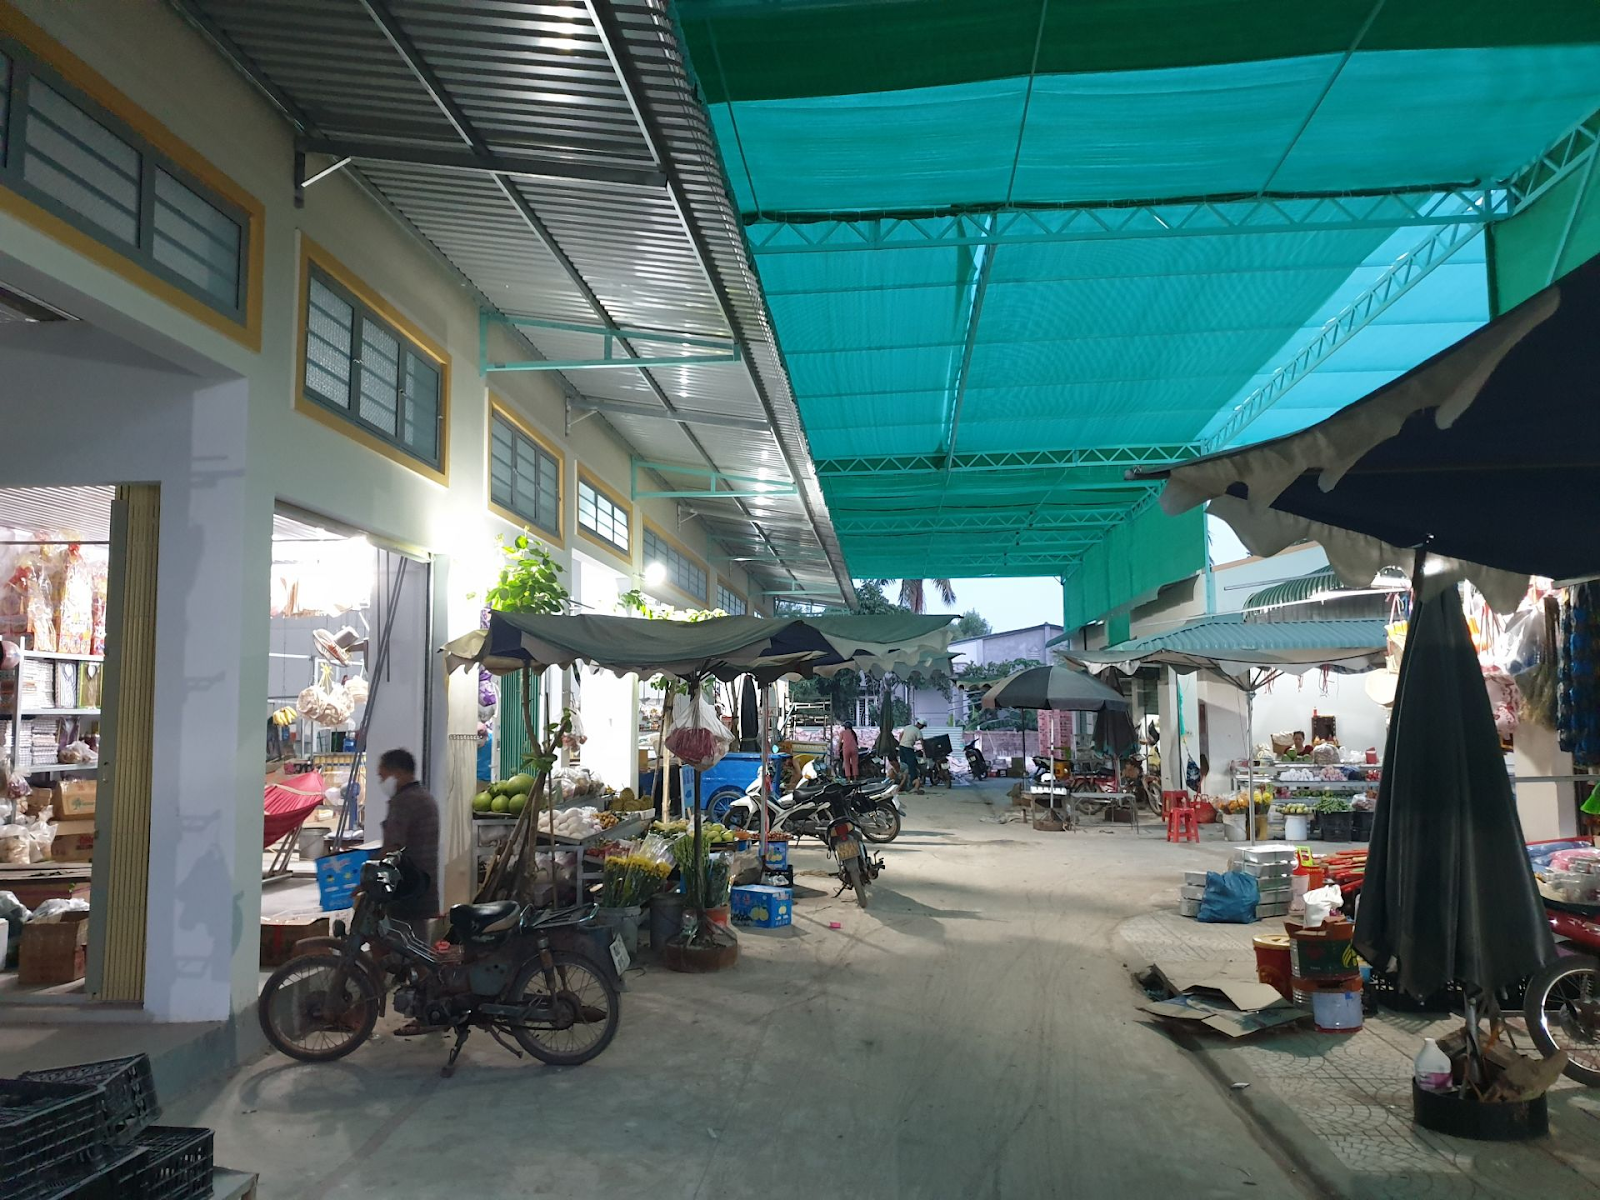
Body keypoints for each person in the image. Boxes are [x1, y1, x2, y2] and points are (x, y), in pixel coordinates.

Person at [377, 748, 439, 925]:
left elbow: (393, 847)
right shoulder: (424, 797)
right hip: (423, 889)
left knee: (401, 938)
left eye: (382, 776)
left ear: (397, 773)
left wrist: (368, 879)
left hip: (405, 892)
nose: (381, 782)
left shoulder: (403, 802)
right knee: (416, 938)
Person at [898, 719, 926, 794]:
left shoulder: (908, 727)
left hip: (902, 747)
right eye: (922, 726)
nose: (922, 728)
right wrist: (924, 751)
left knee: (904, 765)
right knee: (912, 765)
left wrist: (900, 743)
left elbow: (901, 734)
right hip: (908, 748)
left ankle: (903, 781)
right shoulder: (918, 731)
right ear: (920, 725)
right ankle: (912, 781)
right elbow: (922, 742)